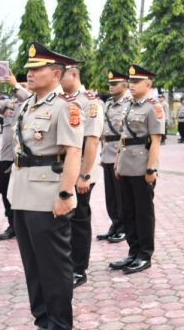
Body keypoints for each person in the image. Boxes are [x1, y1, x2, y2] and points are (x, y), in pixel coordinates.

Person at [8, 42, 84, 330]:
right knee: (33, 265)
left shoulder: (65, 106)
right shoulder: (28, 104)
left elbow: (73, 152)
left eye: (36, 69)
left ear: (55, 74)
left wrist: (65, 194)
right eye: (28, 69)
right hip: (21, 193)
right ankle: (42, 320)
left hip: (47, 195)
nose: (29, 73)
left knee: (53, 265)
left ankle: (60, 323)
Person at [109, 64, 165, 274]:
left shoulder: (153, 107)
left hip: (141, 167)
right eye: (130, 82)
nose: (131, 85)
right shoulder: (129, 106)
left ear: (148, 84)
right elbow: (123, 137)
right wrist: (117, 162)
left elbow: (155, 141)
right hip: (125, 166)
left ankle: (144, 254)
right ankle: (133, 251)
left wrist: (151, 169)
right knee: (128, 212)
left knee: (143, 213)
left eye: (136, 82)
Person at [60, 60, 104, 288]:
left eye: (61, 75)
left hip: (81, 172)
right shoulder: (61, 100)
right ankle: (65, 264)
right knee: (63, 220)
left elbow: (92, 141)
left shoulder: (89, 102)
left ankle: (79, 269)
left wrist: (84, 174)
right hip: (64, 170)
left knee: (78, 220)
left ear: (74, 75)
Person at [0, 71, 31, 240]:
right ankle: (12, 224)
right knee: (3, 187)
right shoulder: (9, 104)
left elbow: (28, 97)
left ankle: (24, 224)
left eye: (25, 85)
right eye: (20, 85)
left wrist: (17, 86)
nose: (20, 88)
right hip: (7, 155)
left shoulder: (32, 103)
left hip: (25, 157)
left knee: (24, 191)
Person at [98, 70, 130, 244]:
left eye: (115, 84)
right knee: (110, 195)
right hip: (108, 152)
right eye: (110, 84)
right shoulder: (108, 104)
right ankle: (115, 225)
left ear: (125, 85)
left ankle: (124, 227)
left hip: (121, 153)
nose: (111, 87)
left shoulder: (129, 103)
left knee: (121, 194)